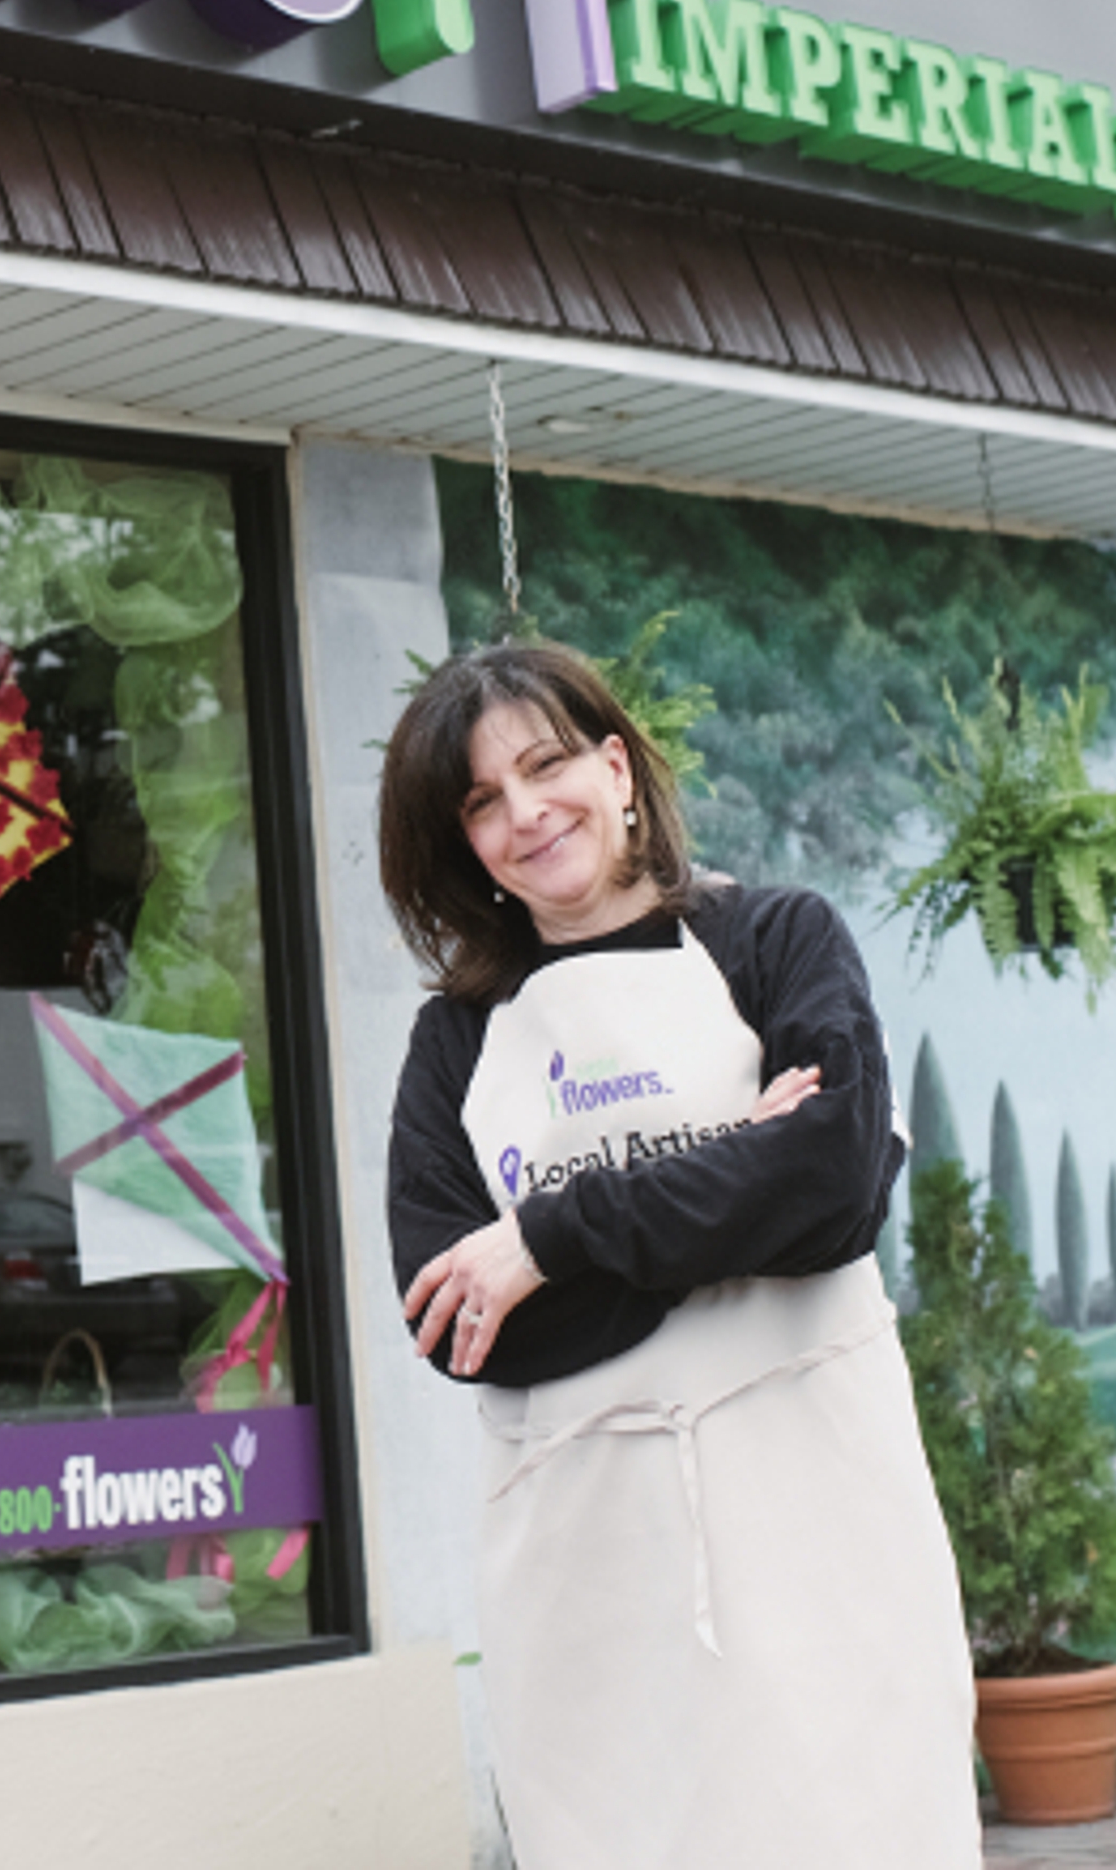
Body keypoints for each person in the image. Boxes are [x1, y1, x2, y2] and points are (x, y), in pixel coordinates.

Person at [379, 641, 975, 1866]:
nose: (526, 813)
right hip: (592, 1566)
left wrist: (546, 1236)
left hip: (824, 1517)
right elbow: (464, 1320)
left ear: (616, 766)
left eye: (546, 766)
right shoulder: (455, 1043)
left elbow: (833, 1183)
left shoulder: (776, 941)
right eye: (482, 801)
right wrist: (731, 1188)